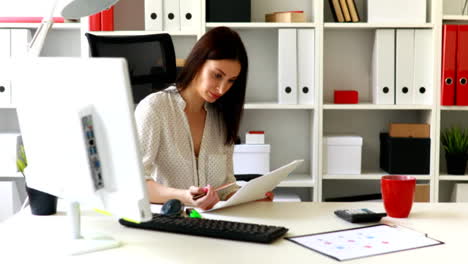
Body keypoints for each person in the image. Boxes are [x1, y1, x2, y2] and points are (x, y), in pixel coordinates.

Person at [135, 27, 272, 211]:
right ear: (197, 63)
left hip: (209, 221)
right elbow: (135, 182)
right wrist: (185, 197)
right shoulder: (155, 108)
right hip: (167, 221)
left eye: (231, 80)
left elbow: (226, 186)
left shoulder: (222, 115)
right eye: (217, 75)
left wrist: (248, 198)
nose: (222, 89)